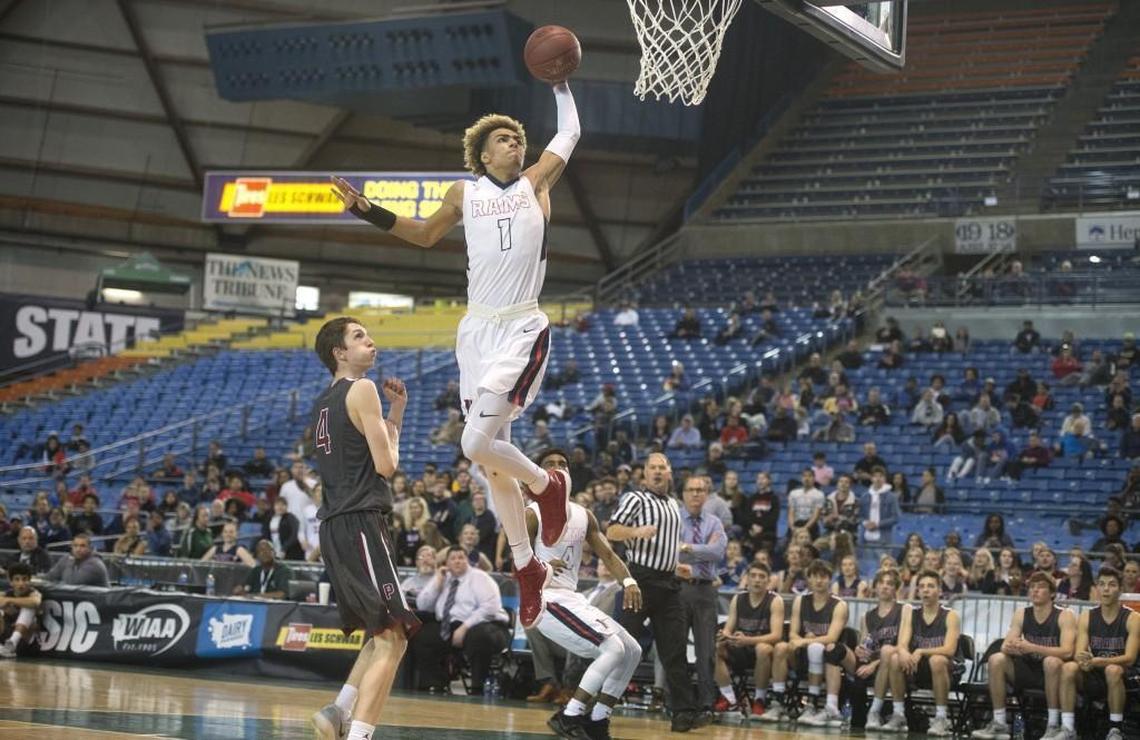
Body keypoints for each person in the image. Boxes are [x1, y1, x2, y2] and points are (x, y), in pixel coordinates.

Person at [333, 78, 579, 633]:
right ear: (483, 152)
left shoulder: (536, 183)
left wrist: (561, 84)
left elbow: (570, 131)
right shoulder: (463, 193)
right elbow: (421, 237)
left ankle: (549, 486)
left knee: (473, 444)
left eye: (519, 138)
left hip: (521, 323)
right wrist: (367, 210)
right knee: (490, 460)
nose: (516, 144)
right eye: (505, 139)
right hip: (476, 333)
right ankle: (526, 565)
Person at [308, 318, 422, 740]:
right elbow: (386, 465)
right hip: (361, 523)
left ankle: (337, 711)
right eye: (359, 337)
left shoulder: (323, 401)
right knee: (395, 638)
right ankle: (359, 735)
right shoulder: (363, 388)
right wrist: (392, 419)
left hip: (335, 526)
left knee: (379, 634)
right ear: (339, 352)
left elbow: (364, 449)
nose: (371, 342)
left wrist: (396, 412)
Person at [527, 448, 644, 740]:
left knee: (632, 651)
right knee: (613, 649)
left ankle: (598, 719)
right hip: (545, 598)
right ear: (538, 475)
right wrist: (539, 565)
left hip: (571, 598)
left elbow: (607, 553)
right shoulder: (531, 513)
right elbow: (512, 562)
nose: (557, 468)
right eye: (550, 464)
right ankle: (569, 715)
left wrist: (629, 582)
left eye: (562, 464)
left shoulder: (583, 514)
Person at [607, 452, 705, 732]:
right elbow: (612, 531)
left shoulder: (674, 505)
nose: (658, 472)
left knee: (674, 651)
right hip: (639, 581)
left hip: (668, 585)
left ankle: (684, 714)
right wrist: (635, 532)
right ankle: (586, 705)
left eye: (663, 467)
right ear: (645, 474)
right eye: (653, 468)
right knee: (620, 647)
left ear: (670, 472)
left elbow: (668, 545)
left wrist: (676, 567)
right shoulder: (635, 499)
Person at [972, 572, 1076, 740]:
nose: (1035, 591)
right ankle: (999, 723)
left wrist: (1032, 647)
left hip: (1054, 674)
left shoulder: (1065, 615)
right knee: (996, 659)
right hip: (1027, 669)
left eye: (1040, 587)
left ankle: (1053, 725)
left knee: (1051, 662)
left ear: (1051, 593)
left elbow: (1067, 651)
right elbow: (1006, 645)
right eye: (1032, 587)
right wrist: (1014, 648)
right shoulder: (1021, 613)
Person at [763, 559, 850, 727]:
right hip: (800, 655)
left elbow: (832, 638)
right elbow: (793, 633)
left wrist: (806, 640)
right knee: (781, 647)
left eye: (823, 577)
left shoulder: (839, 605)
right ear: (808, 578)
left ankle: (812, 702)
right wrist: (802, 641)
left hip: (826, 659)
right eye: (815, 576)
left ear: (830, 579)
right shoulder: (800, 601)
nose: (819, 580)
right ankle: (778, 701)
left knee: (816, 647)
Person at [412, 546, 511, 692]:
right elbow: (422, 605)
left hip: (487, 626)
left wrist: (465, 627)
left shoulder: (480, 577)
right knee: (421, 637)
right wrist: (437, 582)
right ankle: (437, 683)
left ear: (467, 561)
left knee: (479, 637)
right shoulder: (443, 578)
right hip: (449, 626)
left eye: (461, 558)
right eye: (453, 558)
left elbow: (491, 607)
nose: (457, 561)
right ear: (447, 563)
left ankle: (477, 686)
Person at [1059, 566, 1140, 740]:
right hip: (1095, 673)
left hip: (1124, 675)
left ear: (1120, 589)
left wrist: (1096, 661)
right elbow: (1079, 653)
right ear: (1097, 588)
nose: (1106, 589)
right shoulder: (1087, 616)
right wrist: (1084, 662)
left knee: (1113, 670)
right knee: (1068, 668)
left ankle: (1115, 729)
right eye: (1102, 584)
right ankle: (1067, 728)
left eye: (1111, 584)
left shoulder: (1133, 618)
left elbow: (1130, 659)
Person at [676, 475, 727, 715]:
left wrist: (687, 549)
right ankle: (677, 702)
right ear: (683, 494)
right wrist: (701, 550)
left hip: (706, 590)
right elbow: (671, 553)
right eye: (691, 490)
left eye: (700, 490)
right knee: (674, 649)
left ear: (706, 494)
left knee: (706, 652)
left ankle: (706, 703)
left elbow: (717, 552)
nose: (696, 494)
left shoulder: (715, 522)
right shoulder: (674, 519)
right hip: (678, 589)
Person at [890, 569, 962, 736]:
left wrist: (921, 650)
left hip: (947, 670)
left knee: (937, 660)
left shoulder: (951, 615)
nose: (925, 590)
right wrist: (903, 652)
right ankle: (898, 714)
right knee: (895, 658)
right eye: (922, 586)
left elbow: (949, 650)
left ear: (940, 590)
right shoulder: (911, 613)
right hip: (917, 667)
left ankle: (941, 718)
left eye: (930, 586)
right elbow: (902, 643)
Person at [713, 562, 785, 718]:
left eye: (761, 577)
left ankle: (759, 699)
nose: (757, 580)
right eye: (753, 576)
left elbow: (776, 635)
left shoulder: (775, 600)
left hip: (764, 653)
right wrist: (724, 635)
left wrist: (749, 641)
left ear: (768, 580)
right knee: (716, 647)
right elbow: (728, 627)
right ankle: (730, 698)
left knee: (763, 648)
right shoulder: (738, 599)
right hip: (741, 648)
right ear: (746, 579)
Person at [851, 568, 907, 732]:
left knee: (887, 656)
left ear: (896, 588)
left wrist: (874, 664)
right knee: (856, 674)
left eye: (889, 583)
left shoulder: (904, 610)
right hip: (874, 664)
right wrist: (859, 649)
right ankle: (852, 717)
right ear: (875, 587)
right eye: (881, 583)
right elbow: (865, 646)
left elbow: (904, 645)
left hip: (896, 664)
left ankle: (874, 711)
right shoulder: (867, 617)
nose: (884, 587)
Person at [0, 563, 42, 659]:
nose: (21, 583)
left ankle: (13, 642)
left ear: (29, 581)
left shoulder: (34, 594)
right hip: (6, 636)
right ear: (11, 582)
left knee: (29, 608)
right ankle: (4, 648)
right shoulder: (6, 594)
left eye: (24, 579)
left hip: (27, 642)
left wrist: (9, 600)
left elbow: (35, 602)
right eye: (17, 579)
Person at [44, 533, 109, 587]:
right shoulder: (67, 558)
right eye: (75, 545)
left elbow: (71, 583)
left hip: (101, 601)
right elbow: (50, 576)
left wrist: (71, 561)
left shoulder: (95, 564)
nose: (78, 549)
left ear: (90, 548)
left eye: (82, 546)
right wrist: (36, 579)